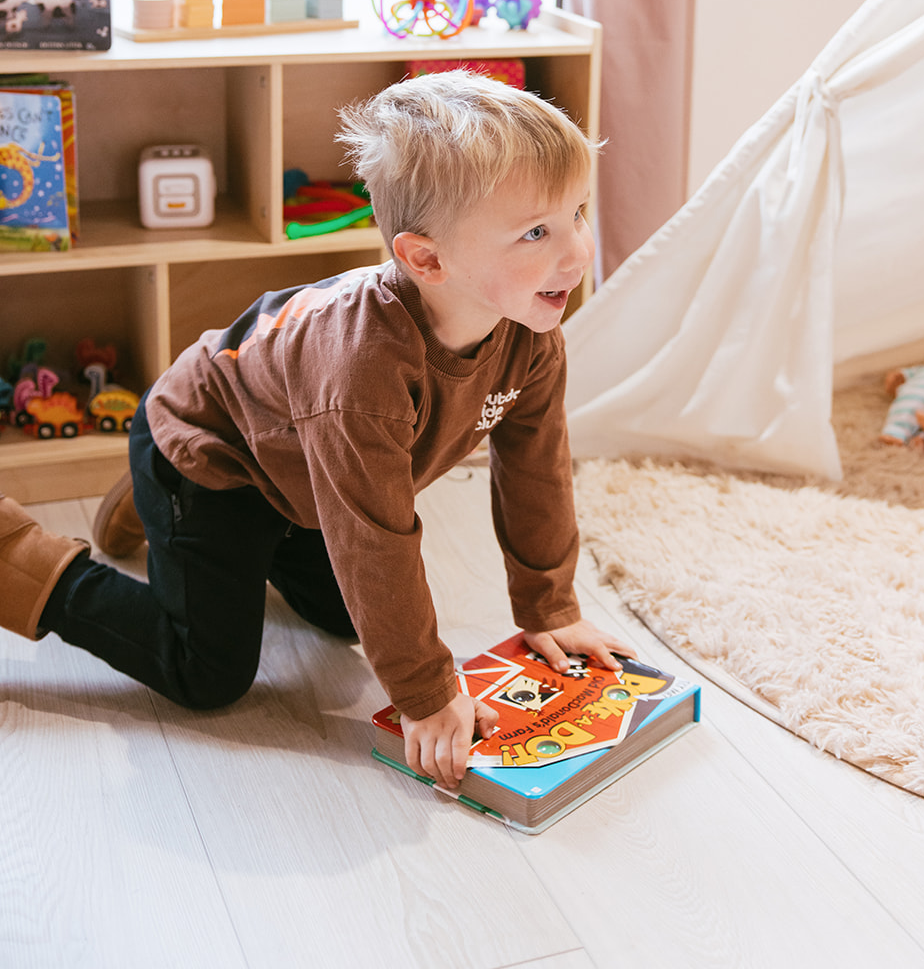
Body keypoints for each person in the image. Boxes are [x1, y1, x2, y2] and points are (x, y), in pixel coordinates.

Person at [0, 71, 634, 790]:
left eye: (576, 213)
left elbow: (535, 466)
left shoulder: (529, 330)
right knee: (207, 674)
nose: (576, 252)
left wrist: (549, 606)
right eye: (535, 232)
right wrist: (425, 695)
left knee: (345, 617)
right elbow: (373, 535)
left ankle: (170, 526)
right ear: (425, 259)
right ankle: (25, 556)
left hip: (300, 470)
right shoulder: (363, 374)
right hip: (212, 455)